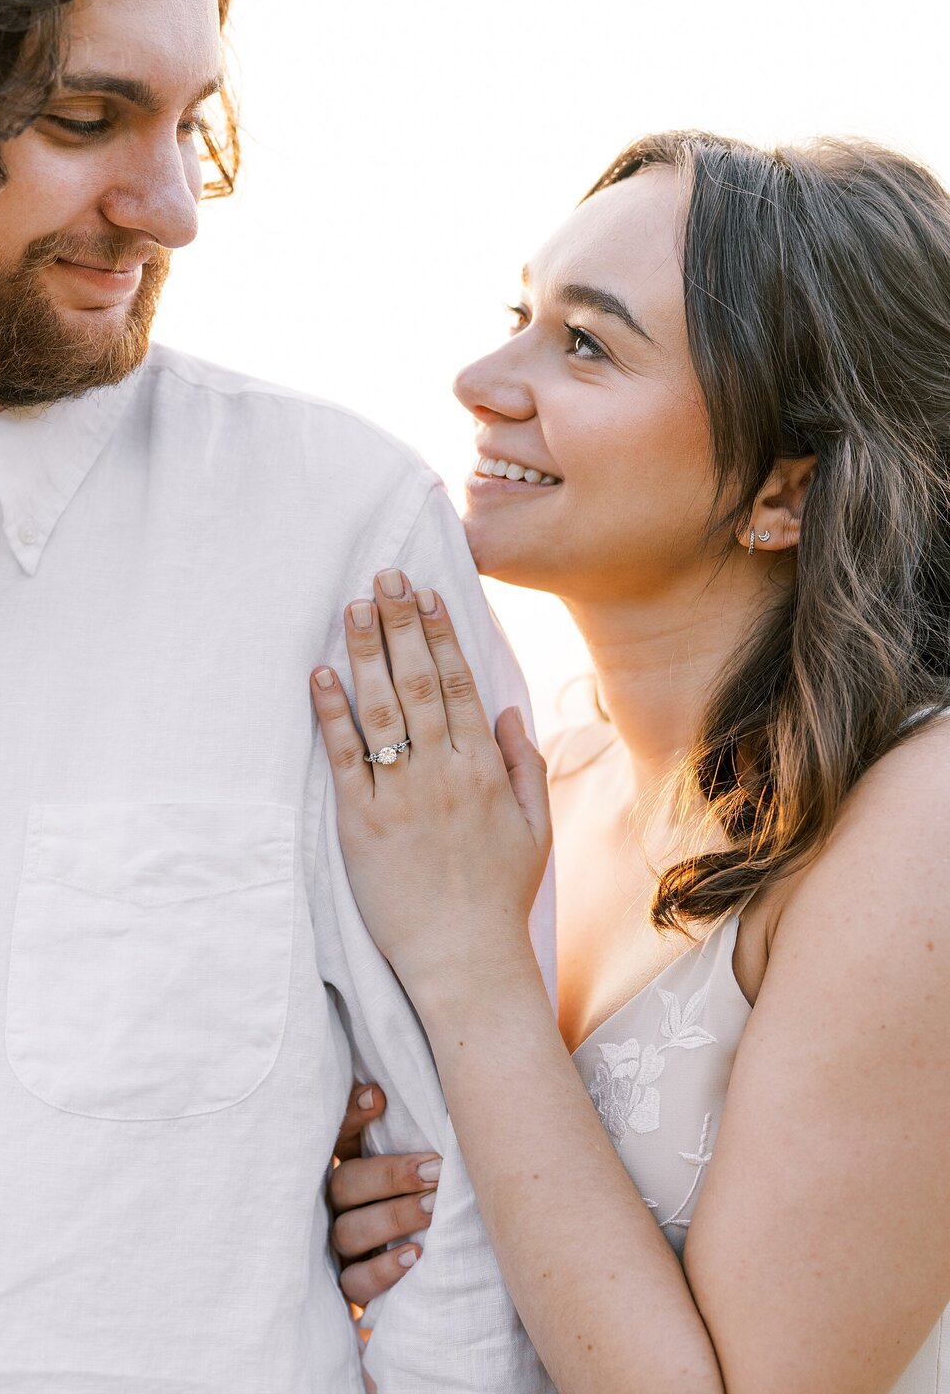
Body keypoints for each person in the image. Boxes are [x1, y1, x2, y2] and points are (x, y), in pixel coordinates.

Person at [0, 0, 555, 1390]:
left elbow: (464, 1217)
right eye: (87, 116)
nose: (174, 205)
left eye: (188, 121)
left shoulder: (341, 543)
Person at [318, 133, 950, 1392]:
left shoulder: (919, 822)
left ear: (784, 489)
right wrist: (370, 1212)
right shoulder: (529, 792)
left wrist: (469, 969)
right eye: (521, 315)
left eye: (588, 344)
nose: (482, 379)